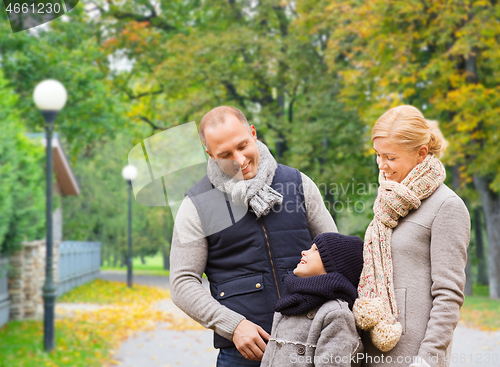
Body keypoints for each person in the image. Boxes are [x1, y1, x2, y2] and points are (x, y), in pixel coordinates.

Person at [169, 106, 338, 367]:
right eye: (225, 154)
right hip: (243, 355)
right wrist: (233, 326)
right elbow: (182, 282)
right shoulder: (195, 205)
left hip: (313, 344)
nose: (239, 160)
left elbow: (334, 254)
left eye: (243, 146)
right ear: (210, 155)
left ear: (253, 133)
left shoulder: (298, 183)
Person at [352, 105, 470, 367]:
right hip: (371, 351)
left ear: (421, 153)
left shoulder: (447, 206)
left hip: (412, 357)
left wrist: (427, 360)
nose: (382, 165)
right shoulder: (388, 202)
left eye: (391, 157)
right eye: (378, 155)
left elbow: (449, 294)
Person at [261, 232, 364, 367]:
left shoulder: (336, 313)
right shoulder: (287, 304)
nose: (304, 252)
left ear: (334, 265)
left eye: (316, 250)